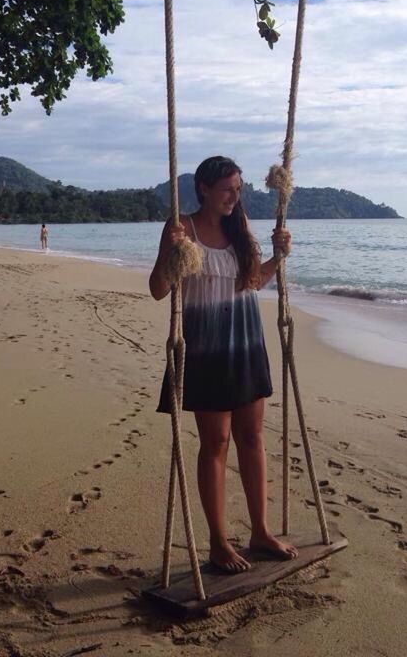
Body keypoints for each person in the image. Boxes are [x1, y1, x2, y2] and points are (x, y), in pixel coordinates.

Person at [149, 155, 297, 573]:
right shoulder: (183, 229)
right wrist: (172, 253)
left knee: (252, 437)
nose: (235, 196)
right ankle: (216, 542)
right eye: (228, 189)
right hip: (206, 346)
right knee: (215, 442)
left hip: (246, 340)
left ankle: (260, 531)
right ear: (204, 190)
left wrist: (277, 257)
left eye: (239, 188)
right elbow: (159, 290)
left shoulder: (238, 228)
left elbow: (251, 282)